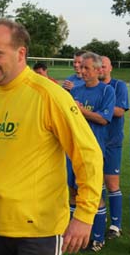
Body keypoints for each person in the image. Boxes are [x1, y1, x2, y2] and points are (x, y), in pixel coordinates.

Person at [0, 19, 103, 255]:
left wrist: (85, 215)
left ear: (21, 53)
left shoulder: (49, 95)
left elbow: (87, 154)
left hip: (40, 232)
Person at [68, 52, 115, 252]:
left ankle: (97, 237)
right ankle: (72, 236)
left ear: (97, 70)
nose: (82, 71)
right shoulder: (75, 90)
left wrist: (81, 111)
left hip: (93, 150)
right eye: (81, 67)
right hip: (73, 149)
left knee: (93, 194)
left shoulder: (106, 91)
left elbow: (104, 119)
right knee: (72, 191)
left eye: (87, 68)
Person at [99, 56, 128, 240]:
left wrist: (100, 111)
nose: (100, 69)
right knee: (96, 184)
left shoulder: (119, 86)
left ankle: (116, 225)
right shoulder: (94, 88)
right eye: (98, 66)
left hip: (112, 142)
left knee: (112, 184)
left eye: (103, 66)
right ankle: (99, 222)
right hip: (95, 142)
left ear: (110, 68)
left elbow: (119, 111)